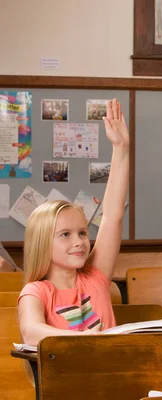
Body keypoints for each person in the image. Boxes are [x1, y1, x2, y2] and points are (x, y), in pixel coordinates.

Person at [18, 99, 129, 346]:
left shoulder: (95, 277)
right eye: (65, 234)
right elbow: (31, 330)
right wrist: (83, 340)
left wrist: (121, 148)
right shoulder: (36, 292)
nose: (79, 241)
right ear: (42, 243)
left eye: (82, 232)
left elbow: (112, 216)